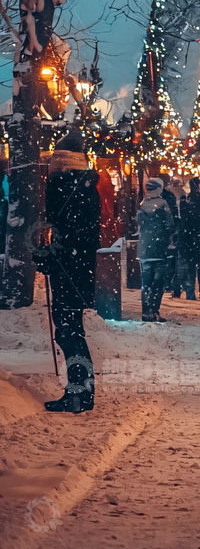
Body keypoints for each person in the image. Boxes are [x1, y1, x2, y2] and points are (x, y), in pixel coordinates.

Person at [33, 128, 101, 413]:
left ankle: (79, 392)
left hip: (69, 269)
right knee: (72, 330)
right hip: (79, 269)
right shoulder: (85, 187)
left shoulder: (63, 187)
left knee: (68, 332)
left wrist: (50, 255)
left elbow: (65, 233)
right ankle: (82, 389)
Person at [137, 177, 174, 322]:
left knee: (146, 283)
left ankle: (146, 312)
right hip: (159, 248)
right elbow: (169, 225)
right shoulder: (163, 204)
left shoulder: (142, 204)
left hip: (144, 248)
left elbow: (139, 223)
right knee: (158, 283)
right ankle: (154, 310)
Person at [175, 177, 200, 301]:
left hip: (189, 239)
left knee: (190, 268)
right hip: (198, 238)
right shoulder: (198, 201)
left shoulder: (187, 202)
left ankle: (191, 293)